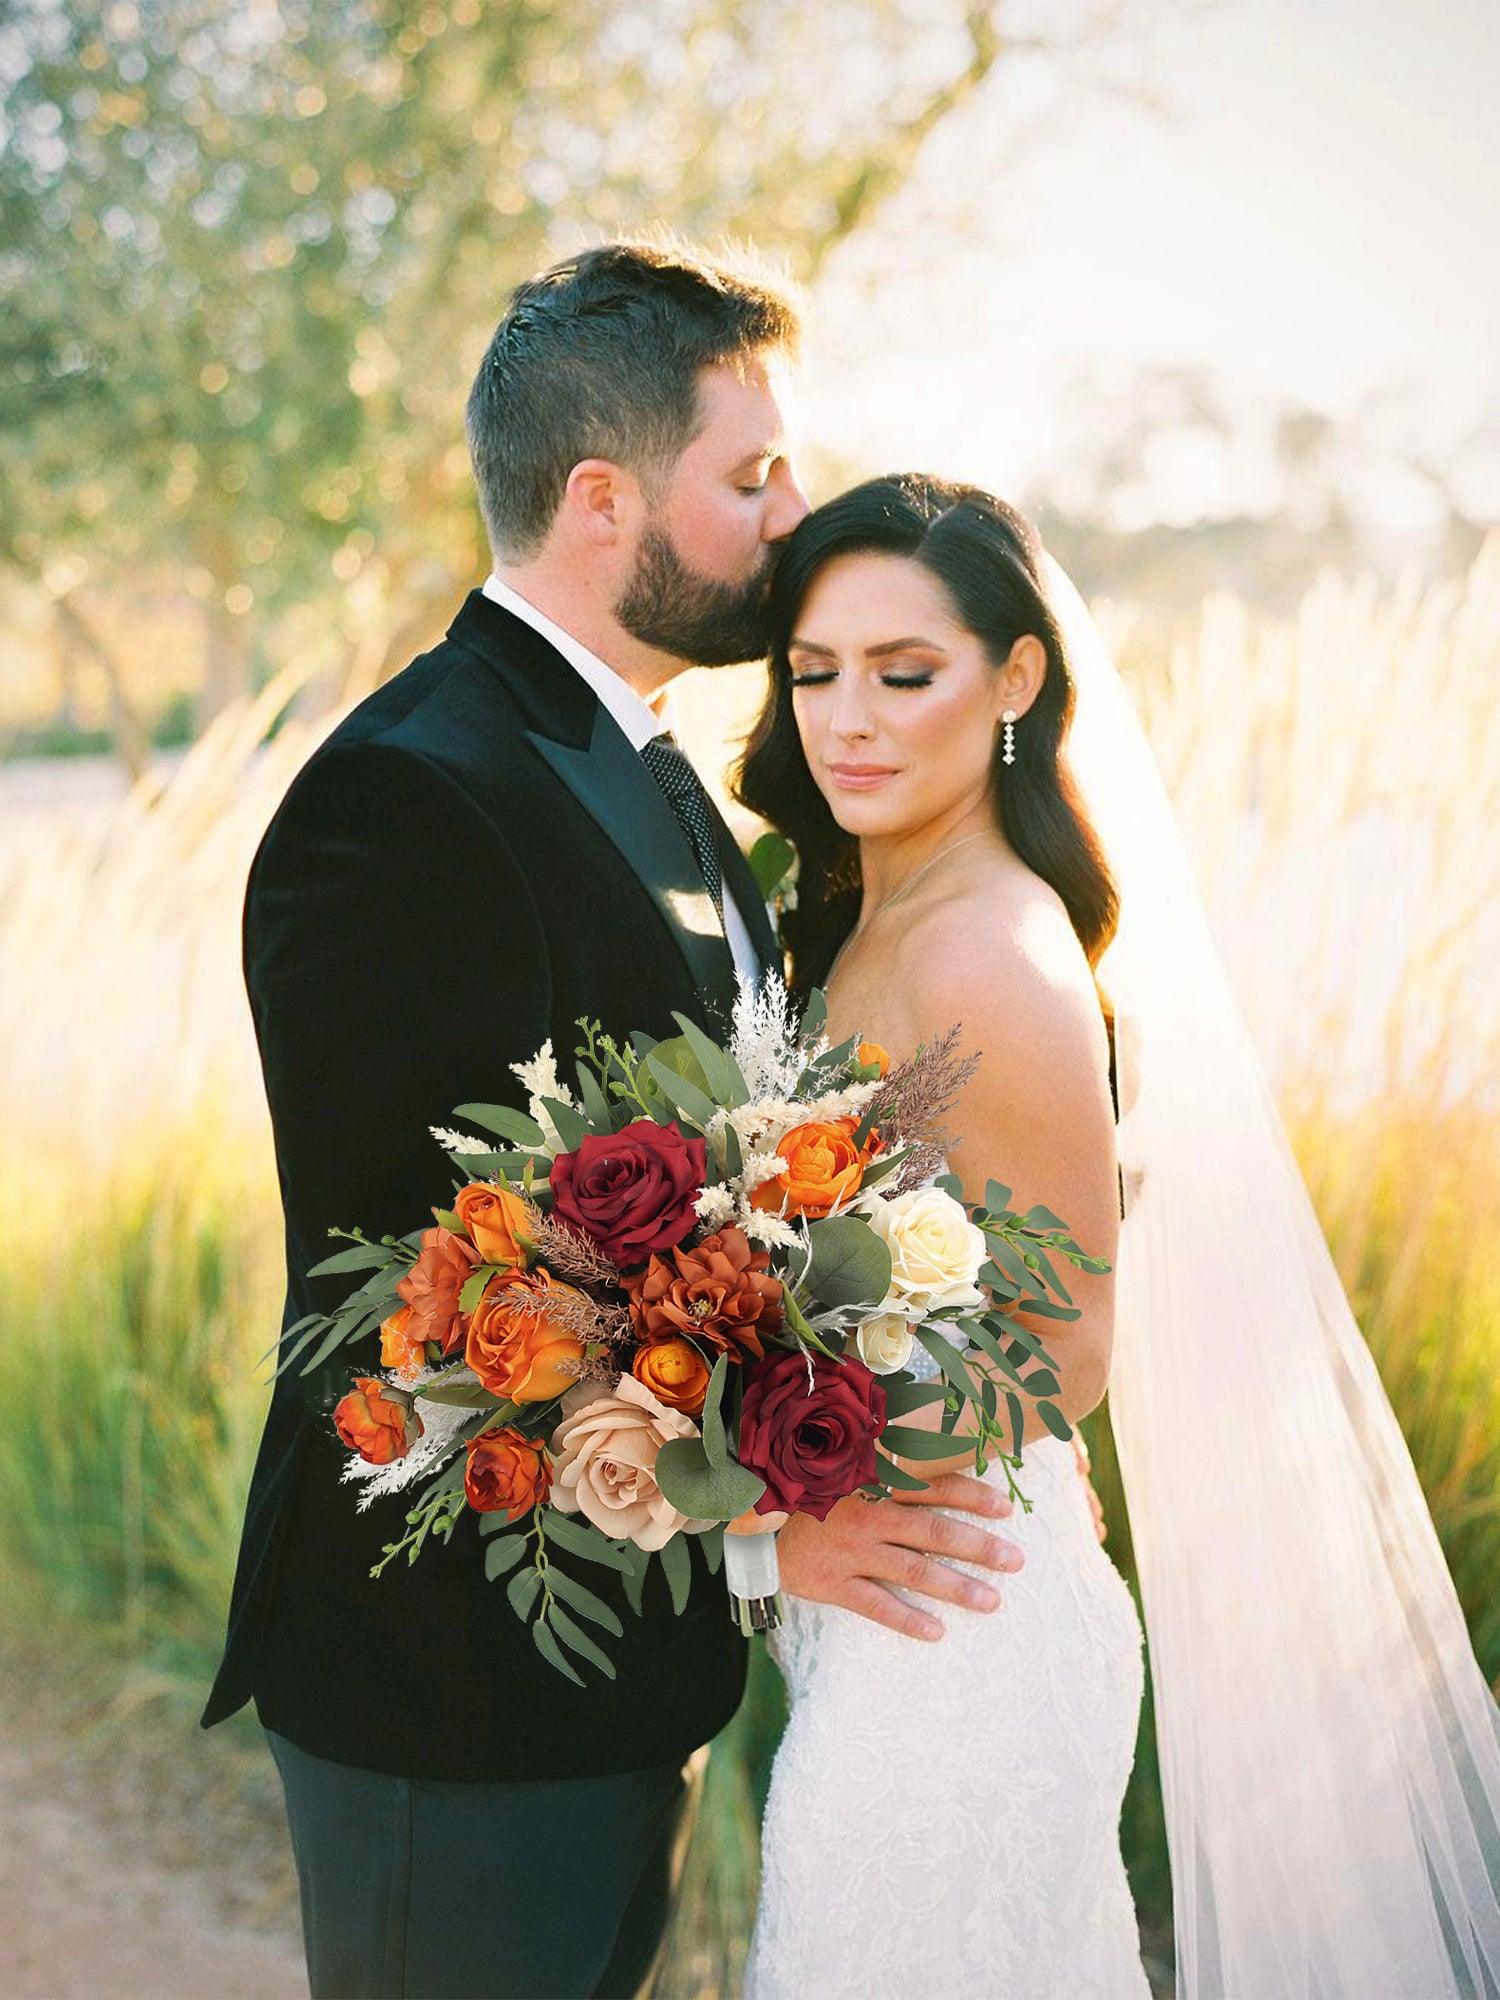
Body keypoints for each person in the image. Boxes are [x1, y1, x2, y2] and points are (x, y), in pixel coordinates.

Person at [200, 246, 1059, 2000]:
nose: (791, 512)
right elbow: (421, 1297)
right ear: (602, 500)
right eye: (750, 479)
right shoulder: (409, 796)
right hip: (448, 1688)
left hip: (621, 1673)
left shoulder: (652, 766)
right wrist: (760, 1520)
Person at [734, 474, 1500, 1998]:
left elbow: (1062, 1358)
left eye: (906, 672)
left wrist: (752, 1487)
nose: (847, 719)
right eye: (814, 672)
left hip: (956, 1627)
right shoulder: (862, 909)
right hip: (896, 1594)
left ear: (1015, 678)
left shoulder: (990, 955)